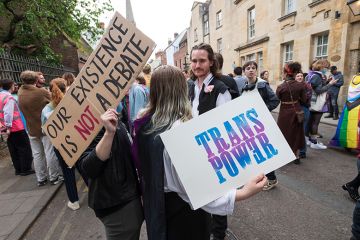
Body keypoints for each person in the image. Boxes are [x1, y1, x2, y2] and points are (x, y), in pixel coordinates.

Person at [133, 65, 267, 240]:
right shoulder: (178, 130)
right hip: (182, 214)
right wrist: (242, 193)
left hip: (157, 203)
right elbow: (194, 189)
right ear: (181, 90)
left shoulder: (143, 122)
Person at [188, 43, 232, 240]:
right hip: (195, 149)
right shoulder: (190, 86)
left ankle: (219, 234)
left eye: (202, 61)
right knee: (201, 193)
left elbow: (227, 125)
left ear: (211, 62)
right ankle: (204, 229)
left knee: (219, 194)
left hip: (215, 150)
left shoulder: (221, 89)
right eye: (194, 60)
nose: (197, 65)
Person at [80, 109, 143, 240]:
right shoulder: (93, 122)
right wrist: (109, 133)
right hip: (119, 205)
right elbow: (89, 167)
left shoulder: (110, 116)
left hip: (124, 204)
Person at [41, 78, 88, 210]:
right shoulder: (73, 102)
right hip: (76, 140)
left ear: (50, 92)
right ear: (66, 87)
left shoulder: (46, 110)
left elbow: (45, 131)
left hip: (60, 145)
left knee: (68, 173)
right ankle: (97, 194)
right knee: (83, 167)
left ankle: (74, 201)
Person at [18, 70, 63, 186]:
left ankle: (41, 179)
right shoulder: (41, 92)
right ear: (36, 80)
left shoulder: (20, 92)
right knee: (50, 152)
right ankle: (54, 177)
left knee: (37, 154)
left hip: (31, 128)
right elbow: (54, 102)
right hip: (44, 127)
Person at [241, 61, 280, 190]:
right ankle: (260, 177)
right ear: (244, 71)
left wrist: (261, 110)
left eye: (253, 68)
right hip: (250, 123)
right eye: (248, 68)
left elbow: (275, 100)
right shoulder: (245, 85)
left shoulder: (262, 85)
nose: (251, 70)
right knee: (255, 150)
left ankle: (272, 179)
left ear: (256, 71)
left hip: (262, 123)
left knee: (263, 150)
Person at [0, 78, 34, 176]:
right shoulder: (9, 97)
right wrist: (9, 127)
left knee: (13, 149)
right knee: (24, 148)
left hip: (4, 128)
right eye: (13, 84)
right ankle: (26, 169)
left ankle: (18, 169)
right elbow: (8, 114)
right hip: (15, 127)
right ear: (11, 86)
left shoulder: (0, 96)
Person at [276, 62, 306, 164]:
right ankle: (296, 156)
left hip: (284, 112)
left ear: (285, 73)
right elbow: (305, 100)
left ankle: (284, 155)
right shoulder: (301, 86)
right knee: (296, 134)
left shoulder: (281, 87)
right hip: (297, 111)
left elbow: (277, 99)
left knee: (284, 133)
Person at [307, 59, 337, 149]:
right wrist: (330, 84)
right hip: (317, 103)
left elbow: (317, 87)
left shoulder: (312, 74)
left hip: (312, 102)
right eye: (326, 67)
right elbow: (319, 90)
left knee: (311, 122)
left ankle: (309, 140)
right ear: (322, 67)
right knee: (315, 123)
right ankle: (314, 142)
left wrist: (327, 82)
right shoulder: (317, 76)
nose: (327, 69)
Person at [330, 73, 360, 149]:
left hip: (349, 105)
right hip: (358, 105)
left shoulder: (354, 77)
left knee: (346, 125)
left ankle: (347, 144)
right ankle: (354, 145)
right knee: (356, 126)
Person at [295, 72, 312, 159]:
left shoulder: (307, 86)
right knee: (296, 131)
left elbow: (306, 99)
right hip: (296, 109)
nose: (300, 77)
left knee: (302, 131)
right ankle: (296, 150)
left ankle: (302, 151)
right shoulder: (293, 86)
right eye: (298, 76)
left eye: (301, 76)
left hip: (304, 109)